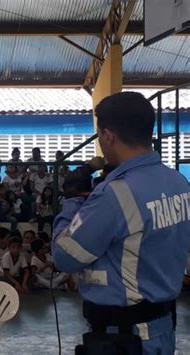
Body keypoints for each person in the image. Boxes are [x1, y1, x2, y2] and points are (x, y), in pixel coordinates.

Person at [52, 92, 190, 354]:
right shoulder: (178, 182)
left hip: (124, 338)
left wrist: (71, 202)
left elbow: (65, 257)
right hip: (162, 328)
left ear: (108, 135)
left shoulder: (116, 194)